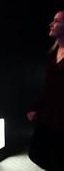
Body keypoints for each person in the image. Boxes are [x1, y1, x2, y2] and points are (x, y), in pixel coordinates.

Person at [27, 10, 64, 170]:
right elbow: (49, 87)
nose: (51, 24)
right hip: (49, 116)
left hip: (62, 119)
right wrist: (36, 108)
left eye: (56, 21)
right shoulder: (52, 54)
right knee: (38, 154)